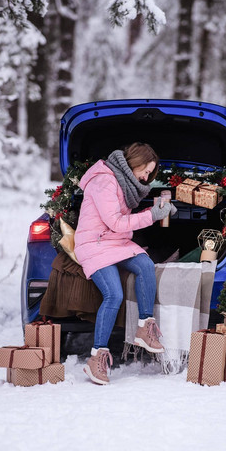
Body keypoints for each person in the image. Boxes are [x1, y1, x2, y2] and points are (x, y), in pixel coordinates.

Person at [74, 142, 177, 385]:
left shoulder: (123, 182)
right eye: (145, 170)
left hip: (115, 242)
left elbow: (120, 225)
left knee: (145, 264)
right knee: (114, 295)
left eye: (150, 173)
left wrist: (154, 211)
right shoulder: (105, 181)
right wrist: (152, 215)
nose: (146, 176)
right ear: (134, 162)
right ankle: (96, 358)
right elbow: (116, 222)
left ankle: (145, 326)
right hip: (95, 243)